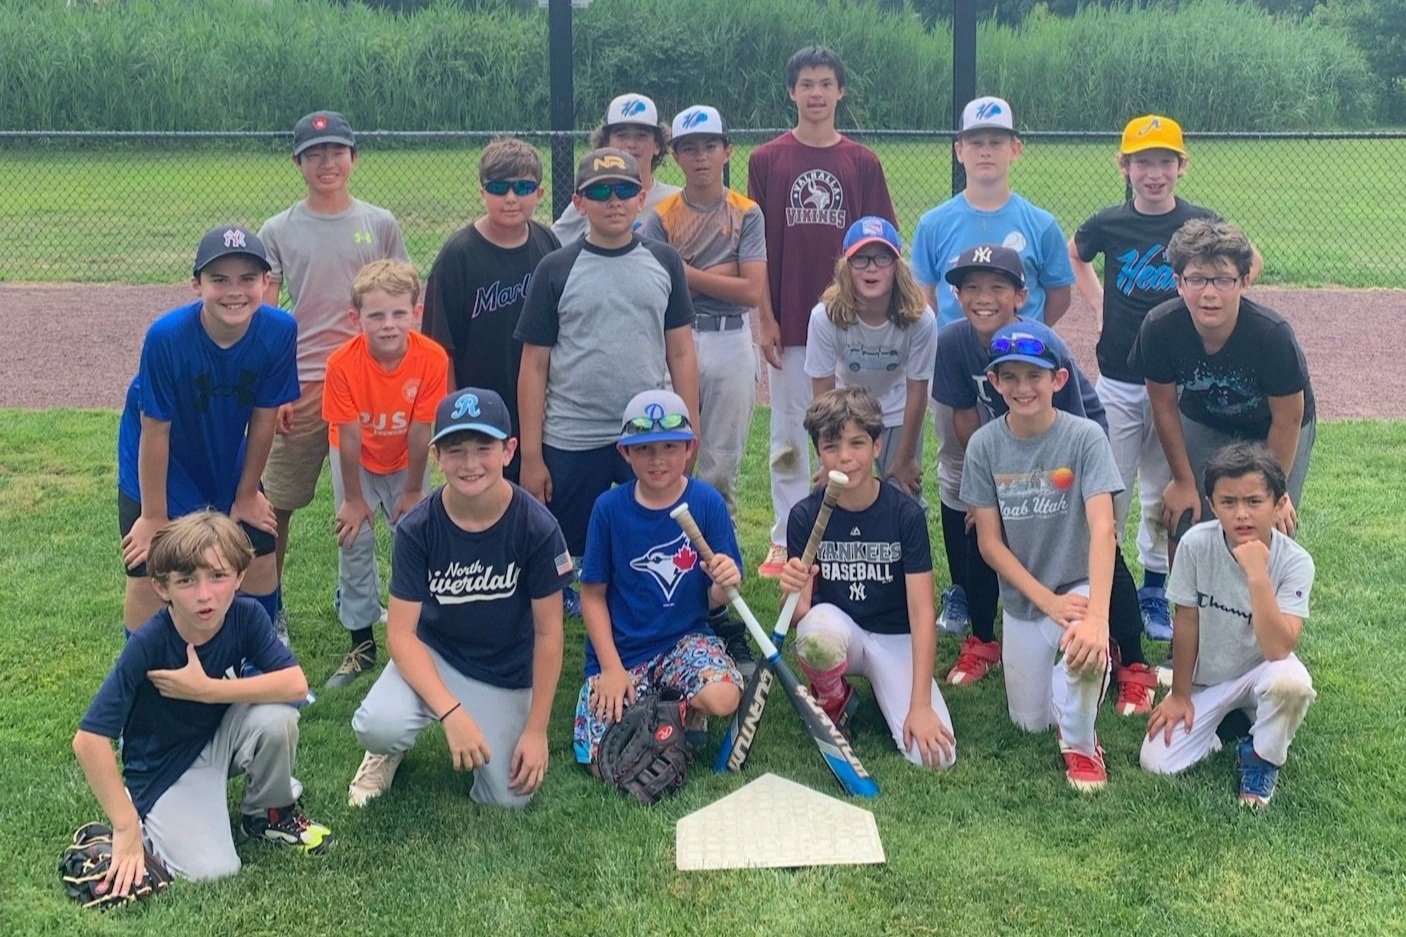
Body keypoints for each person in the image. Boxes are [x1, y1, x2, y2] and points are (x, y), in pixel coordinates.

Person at [932, 247, 1158, 717]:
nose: (983, 298)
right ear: (956, 295)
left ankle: (1133, 661)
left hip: (1070, 446)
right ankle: (982, 637)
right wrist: (983, 489)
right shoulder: (954, 341)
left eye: (996, 286)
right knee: (978, 531)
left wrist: (1071, 489)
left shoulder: (1041, 344)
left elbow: (1071, 419)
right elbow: (963, 415)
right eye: (971, 287)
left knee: (1098, 543)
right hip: (998, 449)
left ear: (1020, 296)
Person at [1070, 114, 1263, 641]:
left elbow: (1251, 263)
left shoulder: (1199, 223)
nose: (1153, 173)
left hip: (1179, 385)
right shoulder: (1110, 222)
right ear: (1125, 167)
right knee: (1110, 486)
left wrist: (1211, 310)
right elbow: (1077, 254)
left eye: (1164, 162)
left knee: (1165, 485)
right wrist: (1098, 303)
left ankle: (1156, 587)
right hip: (1120, 377)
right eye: (1142, 162)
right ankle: (1108, 588)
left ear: (1181, 166)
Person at [75, 511, 331, 887]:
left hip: (220, 738)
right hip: (166, 768)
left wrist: (206, 691)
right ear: (162, 588)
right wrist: (125, 823)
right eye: (186, 581)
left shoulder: (245, 616)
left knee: (279, 717)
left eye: (218, 576)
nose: (205, 594)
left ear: (239, 577)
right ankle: (141, 824)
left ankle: (266, 815)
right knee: (214, 871)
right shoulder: (150, 643)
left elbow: (295, 685)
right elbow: (88, 739)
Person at [349, 388, 570, 808]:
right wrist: (452, 712)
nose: (470, 464)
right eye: (455, 449)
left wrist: (537, 729)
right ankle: (386, 750)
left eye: (483, 447)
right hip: (435, 654)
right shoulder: (418, 528)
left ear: (509, 451)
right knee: (379, 725)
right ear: (437, 457)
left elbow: (549, 634)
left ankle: (491, 720)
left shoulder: (537, 528)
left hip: (502, 669)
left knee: (510, 799)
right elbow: (400, 634)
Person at [259, 110, 410, 640]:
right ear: (298, 162)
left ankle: (366, 596)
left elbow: (402, 301)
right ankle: (266, 606)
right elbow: (268, 316)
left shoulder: (379, 222)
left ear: (354, 158)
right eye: (315, 154)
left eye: (337, 152)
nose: (328, 163)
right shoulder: (278, 230)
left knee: (377, 499)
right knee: (276, 503)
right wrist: (274, 386)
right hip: (302, 384)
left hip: (372, 383)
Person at [747, 45, 895, 578]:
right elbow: (754, 248)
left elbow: (884, 246)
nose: (815, 93)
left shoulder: (861, 162)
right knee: (790, 429)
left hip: (854, 321)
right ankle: (787, 536)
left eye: (825, 83)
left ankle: (856, 522)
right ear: (791, 92)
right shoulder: (766, 160)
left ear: (840, 91)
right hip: (789, 315)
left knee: (855, 427)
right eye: (806, 83)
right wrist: (763, 315)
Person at [515, 148, 700, 563]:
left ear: (641, 197)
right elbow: (534, 364)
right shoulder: (556, 268)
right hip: (573, 432)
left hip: (649, 428)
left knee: (659, 531)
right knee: (569, 547)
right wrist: (531, 456)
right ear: (578, 202)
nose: (613, 201)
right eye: (599, 192)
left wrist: (691, 427)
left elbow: (682, 350)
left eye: (624, 190)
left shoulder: (663, 260)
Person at [960, 322, 1124, 791]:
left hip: (1078, 582)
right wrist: (1045, 602)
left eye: (1034, 375)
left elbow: (1103, 528)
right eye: (1008, 376)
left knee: (1086, 646)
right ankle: (1076, 673)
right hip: (1027, 596)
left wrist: (1096, 614)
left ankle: (1081, 744)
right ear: (993, 383)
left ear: (1059, 379)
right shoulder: (985, 445)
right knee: (1028, 722)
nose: (1022, 387)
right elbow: (989, 543)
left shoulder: (1084, 437)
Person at [116, 225, 297, 634]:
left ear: (266, 281)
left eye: (248, 278)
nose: (235, 291)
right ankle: (141, 667)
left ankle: (262, 647)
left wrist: (248, 493)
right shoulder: (166, 337)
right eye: (219, 280)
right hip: (161, 455)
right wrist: (153, 515)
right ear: (196, 284)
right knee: (151, 564)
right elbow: (155, 430)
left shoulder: (279, 329)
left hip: (223, 448)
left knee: (257, 546)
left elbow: (265, 415)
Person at [778, 387, 957, 770]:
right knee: (816, 634)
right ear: (818, 452)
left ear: (877, 446)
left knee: (935, 759)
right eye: (831, 446)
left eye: (857, 443)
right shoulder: (805, 516)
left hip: (896, 638)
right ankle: (833, 696)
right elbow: (800, 615)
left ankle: (888, 688)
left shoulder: (904, 514)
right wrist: (789, 591)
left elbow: (923, 613)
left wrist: (921, 705)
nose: (845, 457)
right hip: (840, 633)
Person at [572, 390, 743, 771]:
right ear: (625, 453)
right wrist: (611, 670)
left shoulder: (707, 502)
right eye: (644, 449)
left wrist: (724, 580)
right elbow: (593, 597)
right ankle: (667, 709)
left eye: (669, 446)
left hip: (685, 640)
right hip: (624, 651)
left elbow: (715, 600)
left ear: (689, 449)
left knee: (724, 697)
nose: (658, 459)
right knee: (601, 755)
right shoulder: (609, 509)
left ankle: (672, 708)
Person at [1141, 442, 1316, 808]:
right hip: (1209, 679)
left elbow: (1277, 649)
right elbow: (1186, 621)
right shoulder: (1194, 545)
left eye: (1254, 501)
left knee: (1292, 683)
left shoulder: (1295, 562)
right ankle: (1230, 725)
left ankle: (1261, 757)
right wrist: (1181, 696)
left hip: (1261, 672)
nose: (1241, 515)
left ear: (1280, 503)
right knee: (1156, 763)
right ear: (1211, 503)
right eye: (1228, 502)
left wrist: (1256, 574)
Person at [1129, 219, 1314, 544]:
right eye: (1197, 279)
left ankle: (1262, 591)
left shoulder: (1271, 335)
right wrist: (1184, 482)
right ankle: (1186, 596)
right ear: (1179, 282)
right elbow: (1163, 405)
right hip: (1205, 416)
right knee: (1185, 515)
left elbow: (1288, 418)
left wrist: (1274, 490)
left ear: (1244, 281)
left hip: (1272, 424)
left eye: (1223, 280)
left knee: (1263, 521)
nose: (1209, 293)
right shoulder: (1160, 328)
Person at [321, 260, 447, 688]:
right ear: (355, 319)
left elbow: (421, 428)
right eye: (376, 315)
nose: (388, 325)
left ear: (416, 311)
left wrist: (413, 488)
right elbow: (349, 435)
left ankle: (422, 633)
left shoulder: (431, 357)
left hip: (406, 460)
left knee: (417, 536)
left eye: (398, 313)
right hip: (355, 459)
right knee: (353, 539)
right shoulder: (342, 363)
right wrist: (354, 500)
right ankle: (361, 643)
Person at [639, 105, 766, 513]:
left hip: (731, 337)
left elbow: (750, 290)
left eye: (710, 146)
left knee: (721, 463)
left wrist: (684, 269)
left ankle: (719, 557)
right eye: (689, 148)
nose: (700, 157)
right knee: (674, 453)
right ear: (675, 155)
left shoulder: (747, 212)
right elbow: (663, 291)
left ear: (727, 151)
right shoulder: (661, 217)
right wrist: (722, 272)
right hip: (680, 338)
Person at [422, 136, 560, 483]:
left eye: (523, 187)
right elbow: (442, 349)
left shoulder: (547, 244)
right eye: (499, 187)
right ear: (482, 193)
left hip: (543, 403)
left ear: (539, 194)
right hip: (480, 403)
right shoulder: (459, 255)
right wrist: (454, 416)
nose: (511, 198)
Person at [910, 95, 1074, 329]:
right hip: (956, 356)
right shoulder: (932, 224)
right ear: (959, 150)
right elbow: (923, 296)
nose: (985, 152)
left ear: (1015, 149)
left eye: (996, 142)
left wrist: (1030, 328)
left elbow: (1059, 296)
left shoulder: (1042, 224)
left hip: (1019, 358)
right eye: (976, 143)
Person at [804, 216, 935, 500]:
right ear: (846, 267)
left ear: (897, 267)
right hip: (845, 408)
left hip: (898, 408)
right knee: (838, 489)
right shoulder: (824, 316)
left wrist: (905, 458)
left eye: (882, 258)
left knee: (903, 493)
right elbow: (823, 394)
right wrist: (826, 457)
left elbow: (917, 391)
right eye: (861, 258)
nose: (871, 268)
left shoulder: (921, 319)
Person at [553, 93, 680, 244]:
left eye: (641, 136)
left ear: (658, 145)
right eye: (622, 136)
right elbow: (549, 245)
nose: (631, 144)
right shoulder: (593, 198)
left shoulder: (674, 200)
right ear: (605, 143)